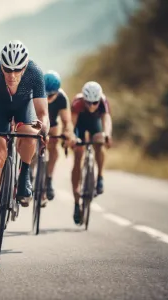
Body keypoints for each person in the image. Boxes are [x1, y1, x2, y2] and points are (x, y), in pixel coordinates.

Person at [0, 40, 49, 253]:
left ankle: (24, 173)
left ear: (25, 67)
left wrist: (43, 129)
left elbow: (43, 114)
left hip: (23, 109)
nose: (12, 74)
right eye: (7, 69)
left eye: (17, 70)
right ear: (1, 65)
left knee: (30, 133)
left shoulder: (35, 72)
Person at [71, 81, 112, 225]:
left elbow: (106, 120)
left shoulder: (103, 101)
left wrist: (107, 135)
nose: (92, 106)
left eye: (95, 103)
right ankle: (77, 203)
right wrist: (72, 137)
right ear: (84, 100)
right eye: (88, 103)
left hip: (95, 126)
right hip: (80, 126)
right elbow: (72, 123)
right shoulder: (77, 102)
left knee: (100, 144)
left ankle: (100, 176)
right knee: (78, 155)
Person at [42, 70, 75, 203]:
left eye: (51, 95)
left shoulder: (62, 98)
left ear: (57, 91)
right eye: (46, 94)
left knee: (54, 144)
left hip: (53, 124)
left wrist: (68, 133)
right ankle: (29, 175)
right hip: (38, 122)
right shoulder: (37, 93)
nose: (48, 98)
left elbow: (67, 121)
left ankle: (49, 178)